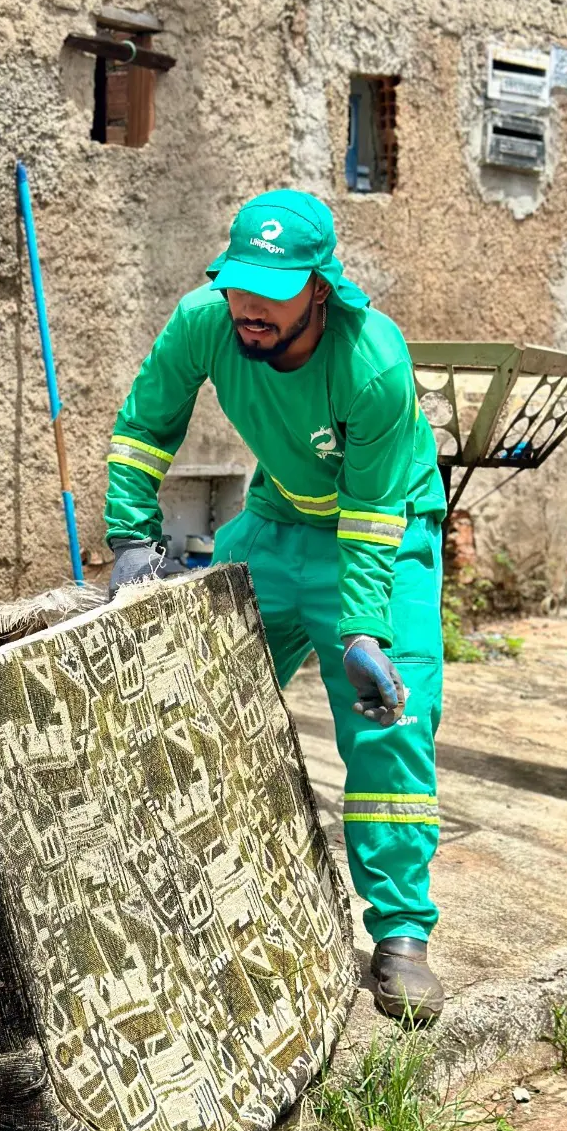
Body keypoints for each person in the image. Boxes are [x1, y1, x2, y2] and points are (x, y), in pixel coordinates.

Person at [105, 190, 447, 1022]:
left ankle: (400, 933)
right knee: (189, 681)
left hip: (383, 536)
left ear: (320, 288)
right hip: (278, 519)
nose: (250, 307)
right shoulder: (205, 321)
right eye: (240, 284)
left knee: (388, 723)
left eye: (275, 290)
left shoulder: (372, 362)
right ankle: (176, 884)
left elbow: (370, 515)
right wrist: (130, 538)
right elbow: (145, 427)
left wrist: (364, 629)